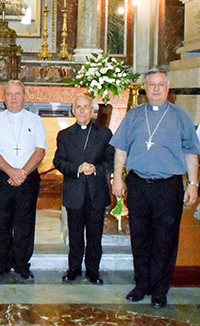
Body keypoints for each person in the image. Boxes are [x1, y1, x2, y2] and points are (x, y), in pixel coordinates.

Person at [110, 67, 200, 308]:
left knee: (165, 239)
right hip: (138, 184)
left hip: (168, 186)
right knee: (139, 236)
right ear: (145, 88)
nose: (156, 89)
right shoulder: (134, 115)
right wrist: (117, 177)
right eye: (152, 84)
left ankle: (160, 289)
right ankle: (142, 285)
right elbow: (121, 148)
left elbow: (191, 151)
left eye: (161, 84)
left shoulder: (180, 116)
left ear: (167, 88)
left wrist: (193, 183)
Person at [0, 80, 48, 281]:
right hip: (2, 178)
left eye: (17, 94)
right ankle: (1, 264)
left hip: (27, 179)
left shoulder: (35, 120)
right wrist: (11, 171)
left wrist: (23, 173)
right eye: (9, 94)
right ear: (4, 98)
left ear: (24, 96)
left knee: (25, 222)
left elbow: (40, 150)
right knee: (1, 221)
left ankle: (22, 264)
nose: (13, 98)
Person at [53, 94, 114, 285]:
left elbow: (111, 161)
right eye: (78, 107)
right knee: (76, 234)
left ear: (92, 110)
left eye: (86, 107)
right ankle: (74, 269)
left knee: (95, 235)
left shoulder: (104, 134)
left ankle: (93, 270)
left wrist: (96, 169)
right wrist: (77, 169)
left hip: (97, 191)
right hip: (74, 192)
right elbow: (59, 161)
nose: (81, 111)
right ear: (73, 110)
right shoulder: (64, 135)